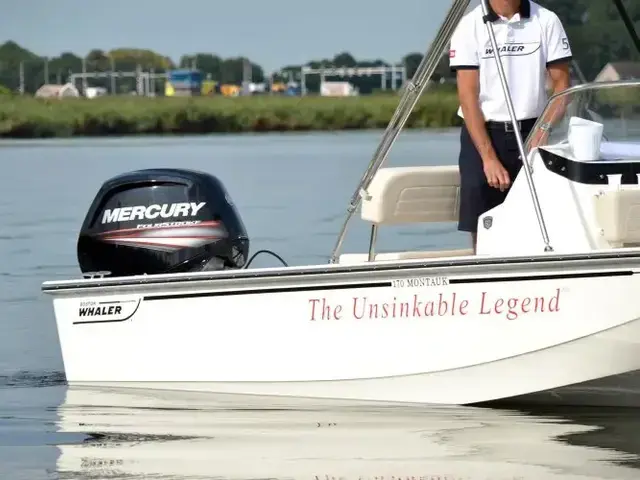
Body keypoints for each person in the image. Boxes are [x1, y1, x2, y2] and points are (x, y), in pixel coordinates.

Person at [449, 0, 572, 251]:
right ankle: (482, 270)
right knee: (482, 217)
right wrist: (489, 158)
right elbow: (468, 97)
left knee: (542, 211)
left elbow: (562, 88)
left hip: (533, 130)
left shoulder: (546, 20)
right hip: (483, 131)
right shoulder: (469, 25)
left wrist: (543, 129)